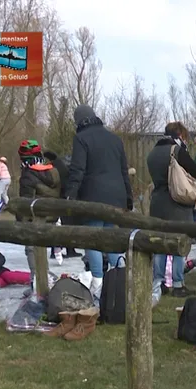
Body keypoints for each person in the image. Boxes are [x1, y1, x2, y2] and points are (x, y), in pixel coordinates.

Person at [63, 104, 133, 298]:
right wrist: (128, 197)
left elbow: (78, 170)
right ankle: (120, 272)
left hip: (93, 196)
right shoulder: (114, 139)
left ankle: (98, 281)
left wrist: (70, 196)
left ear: (78, 120)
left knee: (92, 238)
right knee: (110, 235)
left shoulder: (81, 138)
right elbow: (123, 171)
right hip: (116, 195)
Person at [148, 121, 196, 297]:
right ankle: (178, 283)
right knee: (180, 242)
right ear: (180, 135)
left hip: (157, 203)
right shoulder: (176, 151)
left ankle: (159, 282)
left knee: (160, 243)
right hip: (176, 204)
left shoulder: (152, 153)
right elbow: (194, 170)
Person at [16, 139, 61, 291]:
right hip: (52, 216)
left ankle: (36, 282)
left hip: (35, 219)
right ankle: (44, 279)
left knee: (32, 249)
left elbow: (25, 203)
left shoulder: (28, 176)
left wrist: (20, 221)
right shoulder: (53, 171)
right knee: (42, 249)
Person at [43, 150, 81, 260]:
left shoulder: (53, 167)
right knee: (67, 224)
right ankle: (69, 250)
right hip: (64, 198)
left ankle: (56, 251)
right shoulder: (62, 167)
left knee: (58, 224)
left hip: (58, 198)